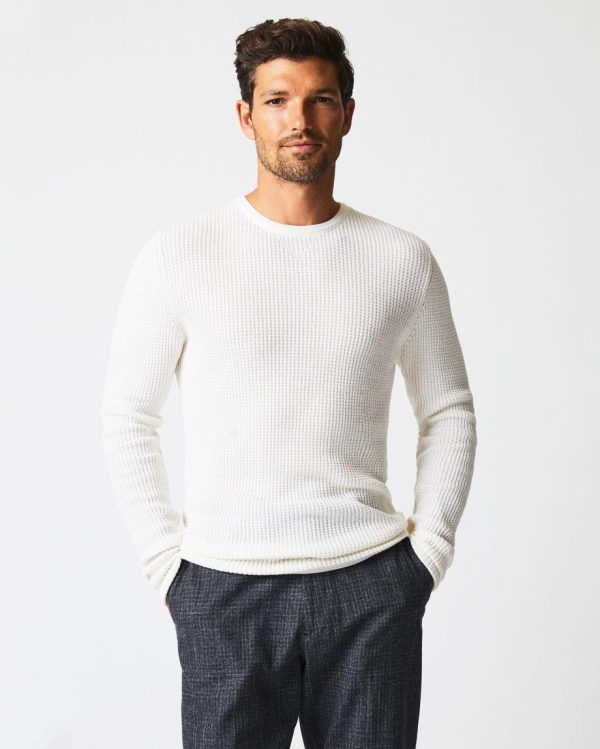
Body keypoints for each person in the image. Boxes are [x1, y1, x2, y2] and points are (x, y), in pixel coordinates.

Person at [100, 16, 477, 749]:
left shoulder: (401, 259)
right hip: (224, 589)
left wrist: (426, 555)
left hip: (371, 584)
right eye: (277, 100)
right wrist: (168, 566)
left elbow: (449, 409)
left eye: (319, 99)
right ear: (246, 117)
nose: (299, 120)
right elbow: (127, 416)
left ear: (347, 114)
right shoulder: (180, 256)